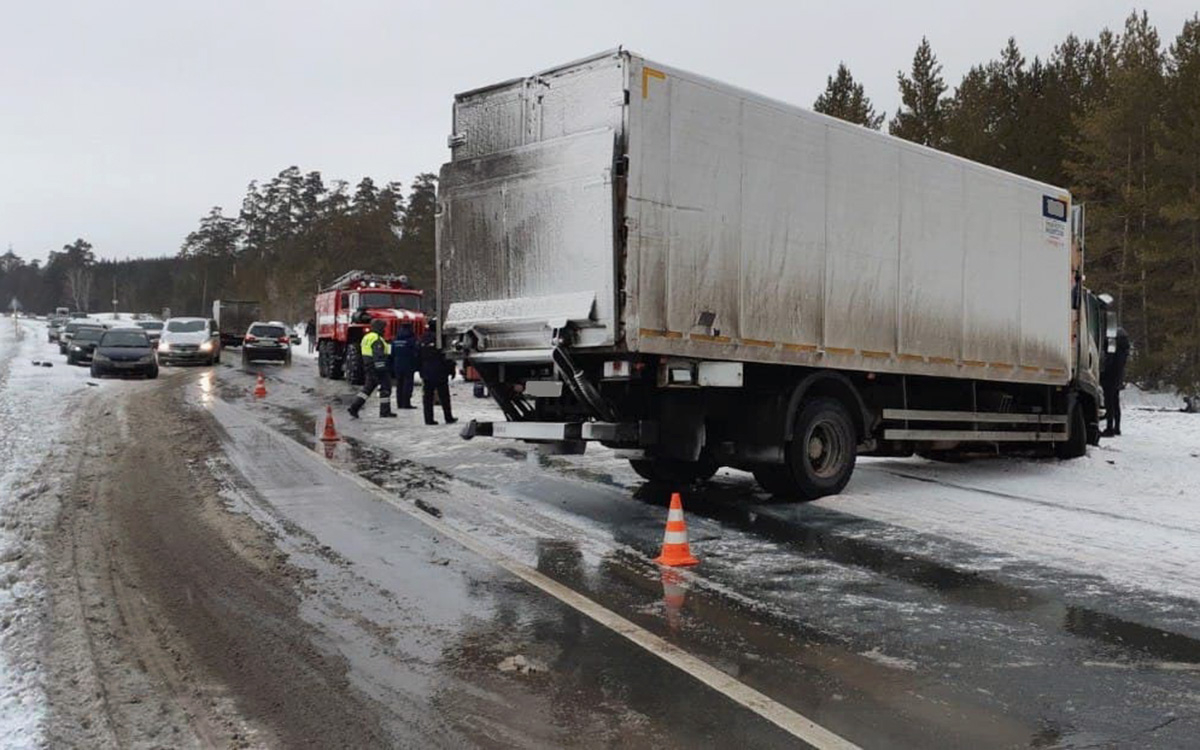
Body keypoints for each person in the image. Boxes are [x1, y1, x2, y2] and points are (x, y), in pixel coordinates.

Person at [348, 319, 396, 419]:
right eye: (383, 327)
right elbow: (378, 355)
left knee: (367, 389)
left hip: (369, 365)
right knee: (386, 388)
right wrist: (382, 368)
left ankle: (354, 407)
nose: (384, 329)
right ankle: (384, 411)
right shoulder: (376, 338)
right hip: (377, 367)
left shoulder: (367, 337)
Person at [419, 324, 456, 425]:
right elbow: (447, 355)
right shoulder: (441, 339)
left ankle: (428, 419)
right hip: (440, 372)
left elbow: (417, 355)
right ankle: (448, 417)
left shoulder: (422, 339)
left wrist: (420, 370)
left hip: (426, 372)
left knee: (427, 398)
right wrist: (451, 370)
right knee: (444, 396)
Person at [1101, 327, 1130, 437]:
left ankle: (1109, 428)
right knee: (1115, 402)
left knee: (1109, 403)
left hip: (1109, 377)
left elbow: (1108, 361)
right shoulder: (1124, 349)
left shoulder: (1113, 347)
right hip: (1118, 377)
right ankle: (1116, 427)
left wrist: (1103, 372)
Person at [391, 321, 419, 410]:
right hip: (408, 364)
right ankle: (406, 403)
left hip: (397, 364)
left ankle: (399, 403)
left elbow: (392, 353)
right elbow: (416, 352)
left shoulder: (395, 339)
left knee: (399, 384)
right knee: (408, 384)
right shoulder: (412, 339)